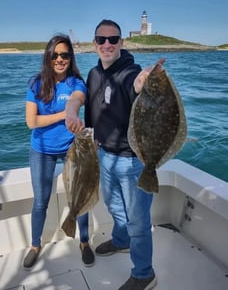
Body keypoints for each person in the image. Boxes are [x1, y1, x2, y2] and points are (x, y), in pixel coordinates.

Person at [66, 20, 164, 290]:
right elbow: (83, 101)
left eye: (113, 39)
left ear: (122, 43)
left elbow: (136, 84)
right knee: (113, 206)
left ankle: (144, 273)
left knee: (138, 220)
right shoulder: (94, 74)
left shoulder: (128, 71)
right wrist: (72, 113)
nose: (107, 44)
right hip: (104, 156)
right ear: (95, 43)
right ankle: (122, 241)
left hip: (133, 161)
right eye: (101, 39)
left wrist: (144, 80)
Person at [23, 34, 95, 269]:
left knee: (80, 196)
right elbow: (31, 122)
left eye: (65, 55)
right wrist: (64, 115)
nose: (60, 59)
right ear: (48, 56)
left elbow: (77, 98)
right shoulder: (36, 83)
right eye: (55, 55)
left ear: (71, 57)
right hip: (42, 150)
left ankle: (84, 242)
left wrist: (72, 111)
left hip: (73, 149)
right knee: (40, 201)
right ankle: (35, 245)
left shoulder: (76, 82)